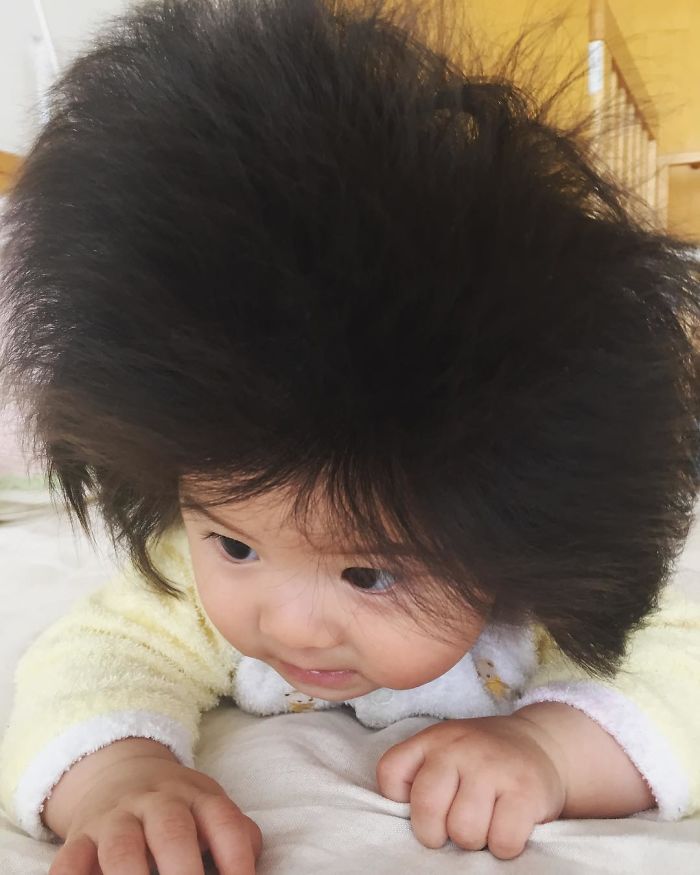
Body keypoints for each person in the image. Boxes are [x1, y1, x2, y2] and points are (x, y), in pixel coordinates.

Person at [1, 0, 699, 872]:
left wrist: (554, 748)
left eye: (369, 572)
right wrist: (118, 773)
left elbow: (679, 662)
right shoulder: (185, 578)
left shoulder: (530, 608)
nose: (290, 626)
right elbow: (90, 659)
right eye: (236, 545)